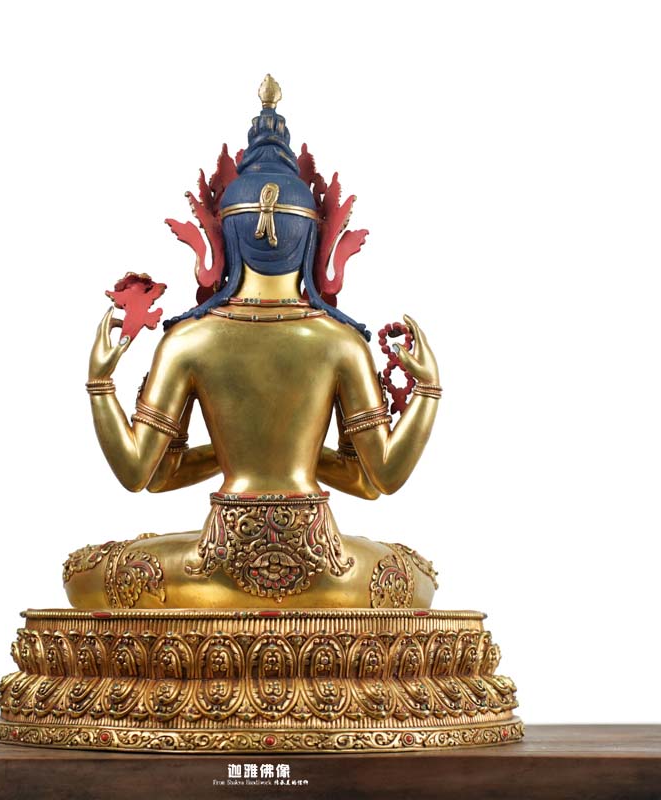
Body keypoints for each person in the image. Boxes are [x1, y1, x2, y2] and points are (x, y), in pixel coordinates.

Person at [64, 79, 442, 610]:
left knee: (88, 574)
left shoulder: (189, 340)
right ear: (312, 238)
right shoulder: (341, 342)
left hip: (212, 563)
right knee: (410, 575)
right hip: (328, 569)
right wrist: (427, 390)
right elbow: (377, 479)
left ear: (227, 236)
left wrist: (101, 382)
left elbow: (143, 474)